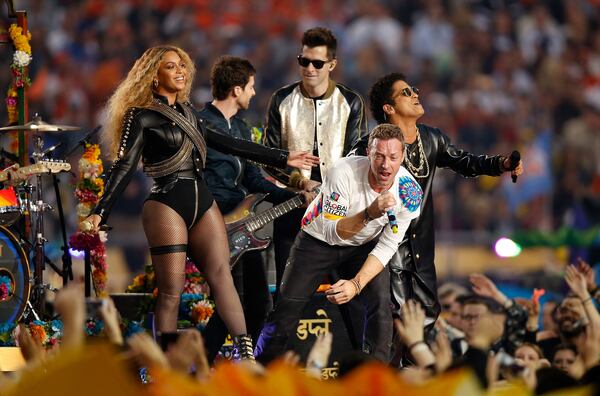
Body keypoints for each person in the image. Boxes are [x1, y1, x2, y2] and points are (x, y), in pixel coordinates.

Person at [81, 45, 318, 360]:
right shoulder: (141, 117)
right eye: (170, 66)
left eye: (182, 65)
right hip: (166, 203)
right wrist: (100, 213)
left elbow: (231, 143)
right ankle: (165, 362)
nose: (180, 71)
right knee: (171, 291)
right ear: (153, 76)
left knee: (223, 279)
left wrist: (283, 157)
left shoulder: (190, 113)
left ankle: (245, 358)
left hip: (202, 202)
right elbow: (124, 167)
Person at [352, 73, 524, 328]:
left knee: (426, 319)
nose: (415, 95)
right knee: (391, 324)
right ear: (388, 108)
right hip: (384, 250)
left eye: (414, 90)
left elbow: (465, 162)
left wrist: (501, 164)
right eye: (406, 93)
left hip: (421, 250)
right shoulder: (369, 147)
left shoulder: (432, 138)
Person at [255, 123, 422, 364]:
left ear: (403, 157)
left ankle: (376, 379)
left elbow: (388, 246)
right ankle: (261, 372)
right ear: (368, 153)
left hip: (363, 245)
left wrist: (356, 284)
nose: (386, 165)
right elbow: (334, 233)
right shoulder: (343, 171)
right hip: (317, 240)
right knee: (286, 309)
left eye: (393, 158)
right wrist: (370, 213)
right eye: (379, 156)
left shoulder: (409, 192)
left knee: (381, 309)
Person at [197, 55, 313, 362]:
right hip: (215, 221)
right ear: (236, 89)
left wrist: (294, 192)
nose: (253, 93)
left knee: (260, 304)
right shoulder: (200, 125)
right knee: (230, 302)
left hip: (244, 225)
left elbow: (251, 178)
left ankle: (242, 365)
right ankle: (201, 365)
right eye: (250, 87)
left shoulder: (243, 129)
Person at [262, 27, 368, 296]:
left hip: (339, 210)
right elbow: (268, 156)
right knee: (289, 292)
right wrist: (301, 182)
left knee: (343, 290)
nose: (309, 68)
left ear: (332, 64)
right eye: (304, 61)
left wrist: (329, 189)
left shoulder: (351, 102)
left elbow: (356, 157)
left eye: (317, 63)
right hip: (290, 207)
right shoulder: (281, 100)